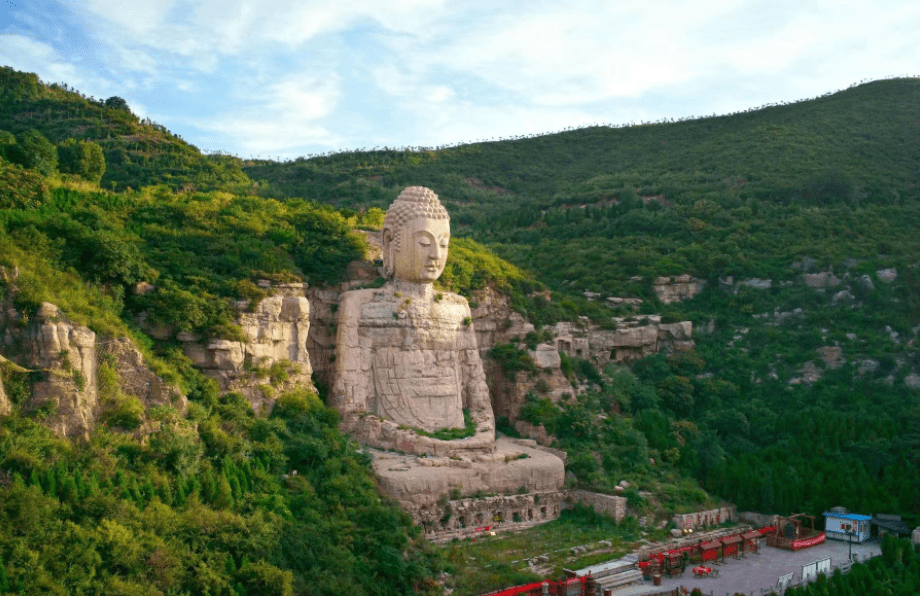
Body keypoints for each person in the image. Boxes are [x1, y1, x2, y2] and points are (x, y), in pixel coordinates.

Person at [330, 186, 495, 455]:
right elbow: (349, 414)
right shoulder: (359, 305)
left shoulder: (458, 307)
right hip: (398, 444)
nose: (435, 255)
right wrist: (421, 443)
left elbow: (478, 397)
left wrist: (483, 433)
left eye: (443, 244)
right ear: (389, 241)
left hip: (462, 439)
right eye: (424, 242)